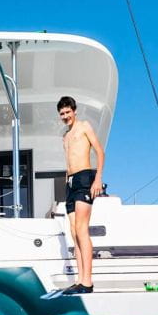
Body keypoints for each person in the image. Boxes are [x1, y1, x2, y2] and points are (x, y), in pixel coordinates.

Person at [57, 96, 105, 295]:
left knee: (82, 229)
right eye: (62, 114)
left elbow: (100, 152)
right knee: (74, 232)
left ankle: (88, 281)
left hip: (85, 178)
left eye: (68, 112)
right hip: (70, 182)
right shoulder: (65, 137)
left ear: (74, 111)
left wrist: (97, 179)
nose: (66, 116)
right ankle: (79, 280)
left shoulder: (84, 126)